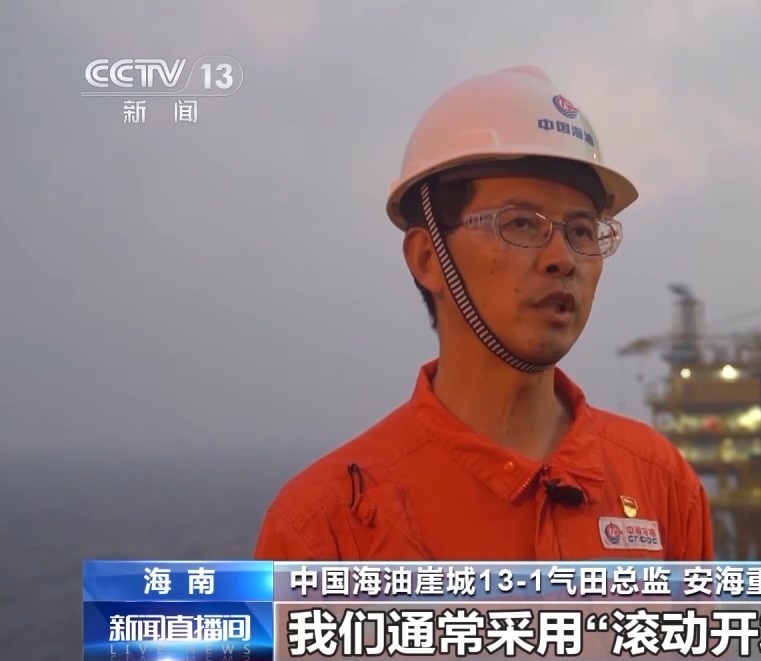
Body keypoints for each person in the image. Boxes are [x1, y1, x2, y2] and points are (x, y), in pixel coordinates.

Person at [253, 65, 714, 562]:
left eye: (582, 231)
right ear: (428, 259)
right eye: (521, 223)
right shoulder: (327, 526)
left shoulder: (661, 484)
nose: (562, 258)